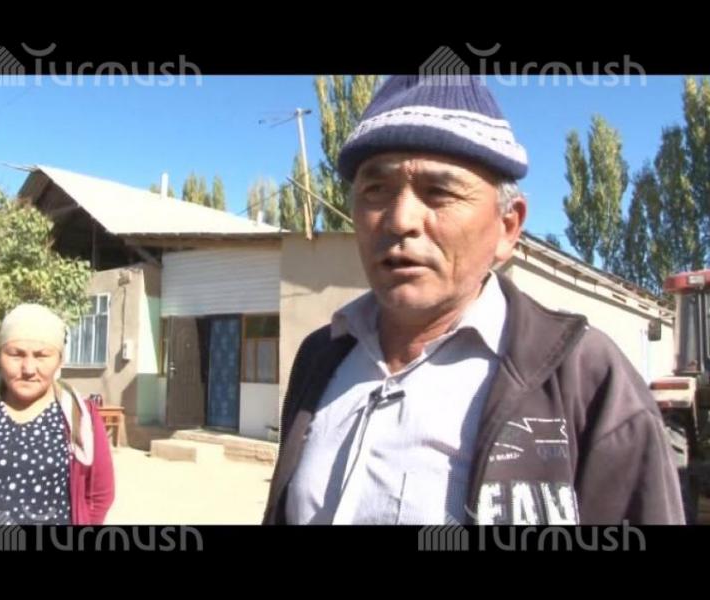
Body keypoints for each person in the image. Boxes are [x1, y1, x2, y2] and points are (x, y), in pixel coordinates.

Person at [263, 75, 684, 525]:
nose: (400, 220)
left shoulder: (587, 380)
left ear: (507, 228)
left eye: (439, 192)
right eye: (375, 190)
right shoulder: (321, 356)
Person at [0, 303, 114, 525]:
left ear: (60, 360)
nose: (28, 369)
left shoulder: (81, 418)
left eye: (41, 356)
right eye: (16, 355)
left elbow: (99, 496)